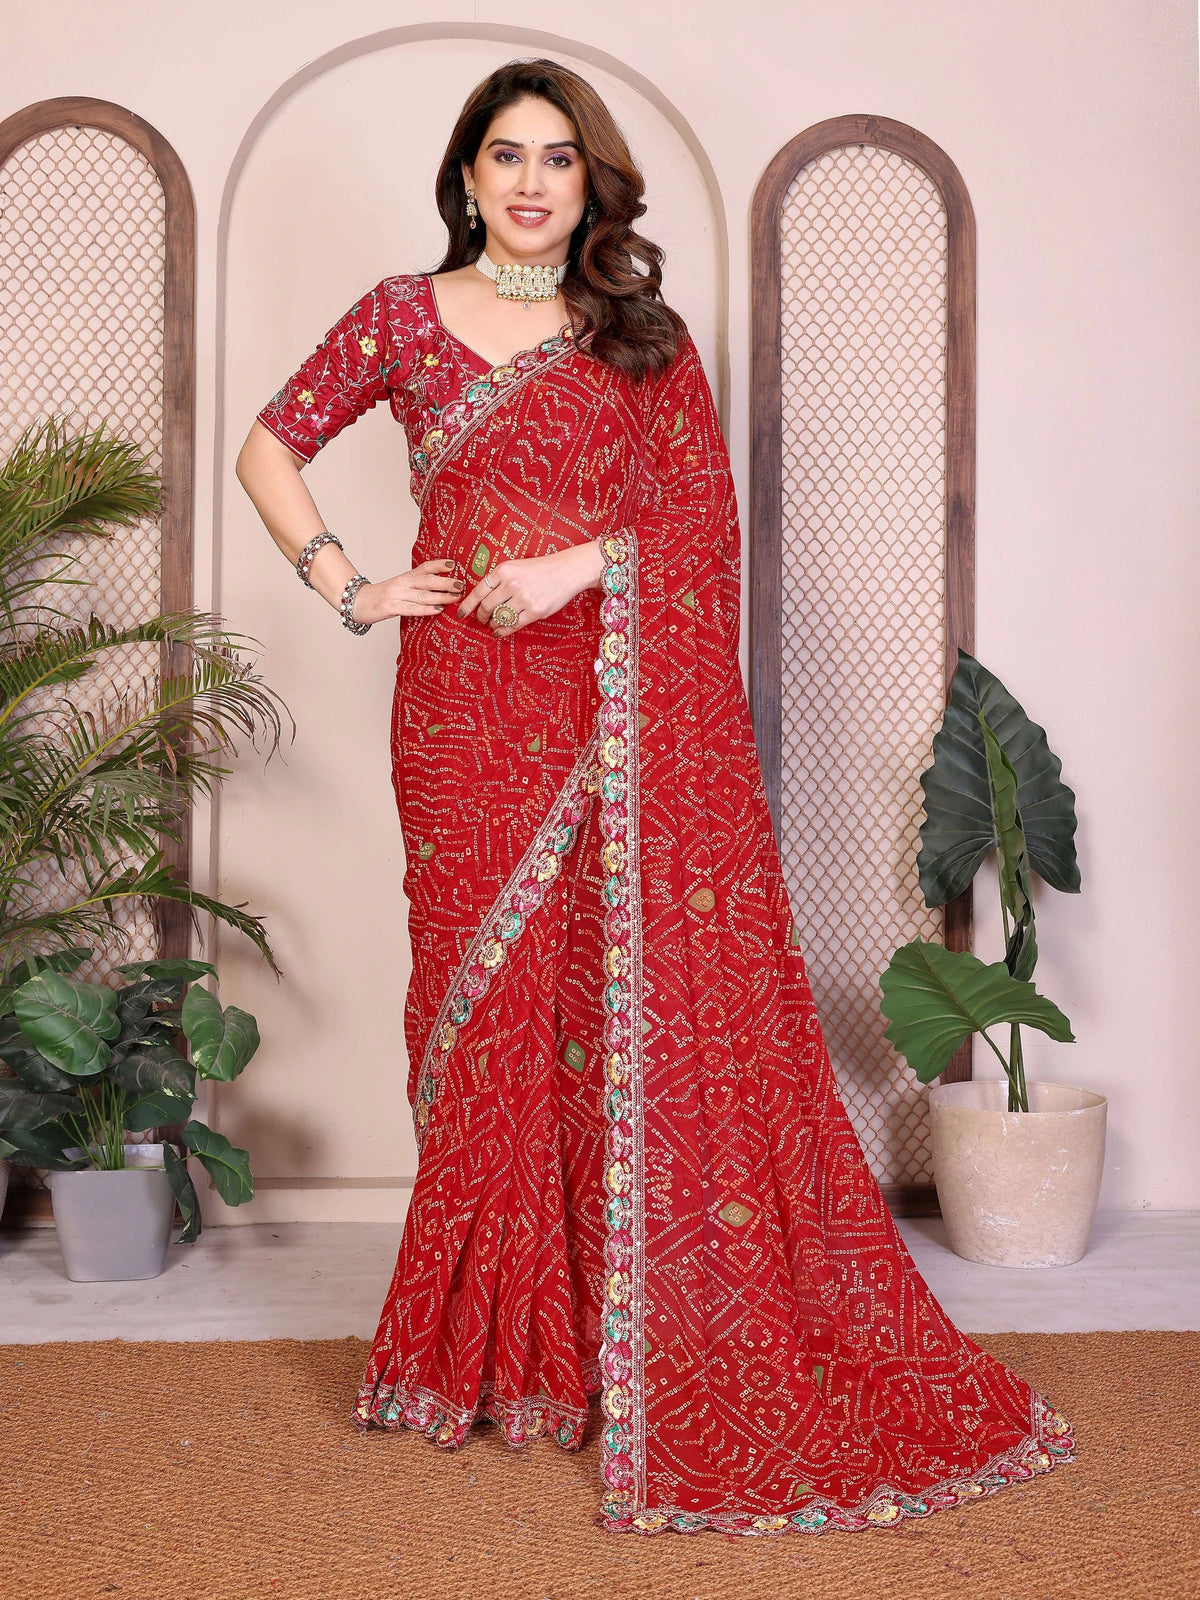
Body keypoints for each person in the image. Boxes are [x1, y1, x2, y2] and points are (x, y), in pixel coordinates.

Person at [235, 57, 1074, 1538]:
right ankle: (487, 1354)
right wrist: (353, 587)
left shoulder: (639, 340)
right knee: (479, 1016)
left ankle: (604, 1341)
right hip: (460, 717)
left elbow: (697, 530)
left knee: (602, 1014)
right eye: (508, 154)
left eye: (561, 157)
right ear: (468, 174)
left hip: (608, 716)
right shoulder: (398, 316)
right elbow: (269, 444)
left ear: (590, 179)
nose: (534, 181)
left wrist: (583, 565)